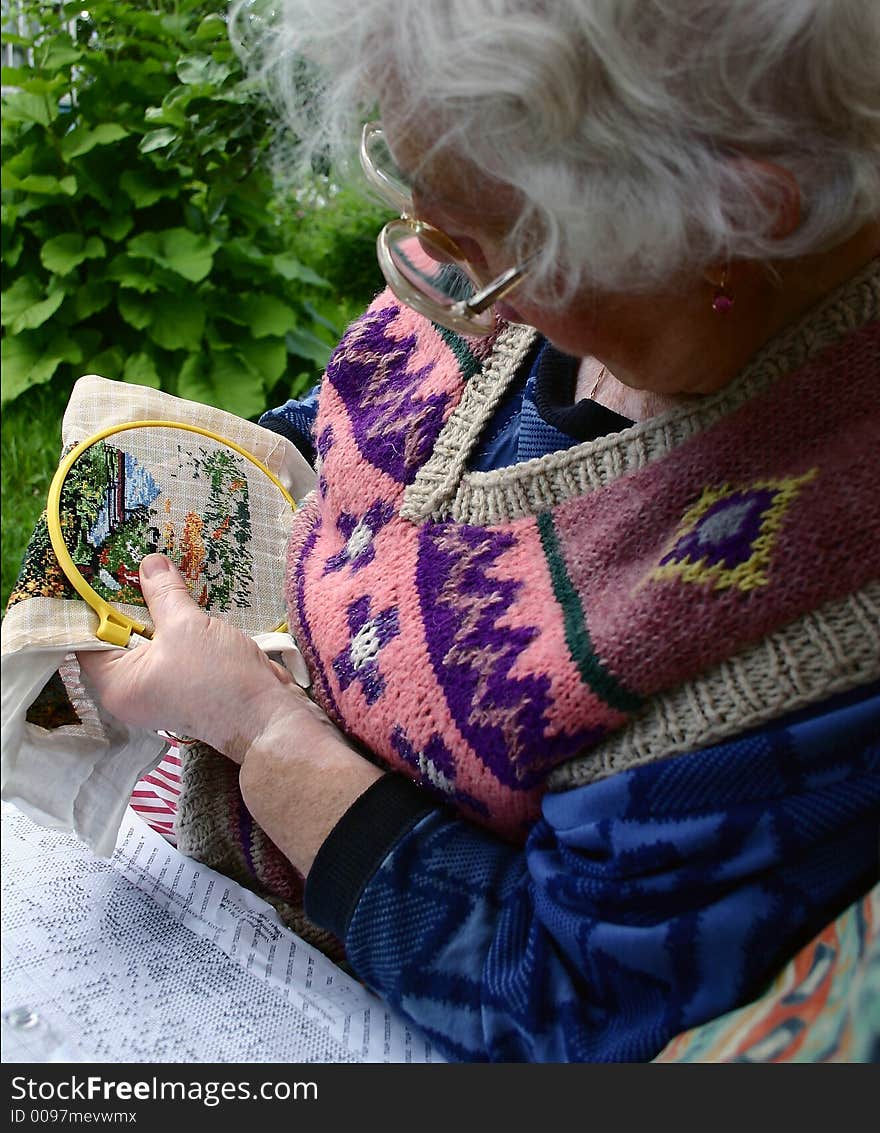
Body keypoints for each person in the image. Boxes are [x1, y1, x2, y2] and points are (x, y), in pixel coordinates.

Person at [78, 0, 880, 1062]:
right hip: (186, 855)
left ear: (735, 218)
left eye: (478, 244)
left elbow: (563, 997)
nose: (432, 268)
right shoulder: (569, 234)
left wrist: (264, 738)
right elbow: (359, 438)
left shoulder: (820, 619)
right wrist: (133, 536)